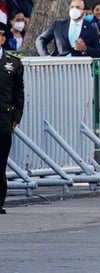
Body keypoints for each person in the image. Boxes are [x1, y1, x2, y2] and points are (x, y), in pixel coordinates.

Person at [0, 20, 24, 214]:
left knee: (1, 160)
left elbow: (18, 92)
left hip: (3, 117)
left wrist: (17, 115)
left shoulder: (13, 63)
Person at [35, 0, 100, 58]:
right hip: (60, 65)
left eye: (77, 7)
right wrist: (46, 56)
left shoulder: (91, 29)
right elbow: (41, 39)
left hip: (80, 66)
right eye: (72, 7)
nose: (74, 9)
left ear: (84, 11)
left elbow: (98, 52)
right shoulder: (58, 25)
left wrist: (85, 49)